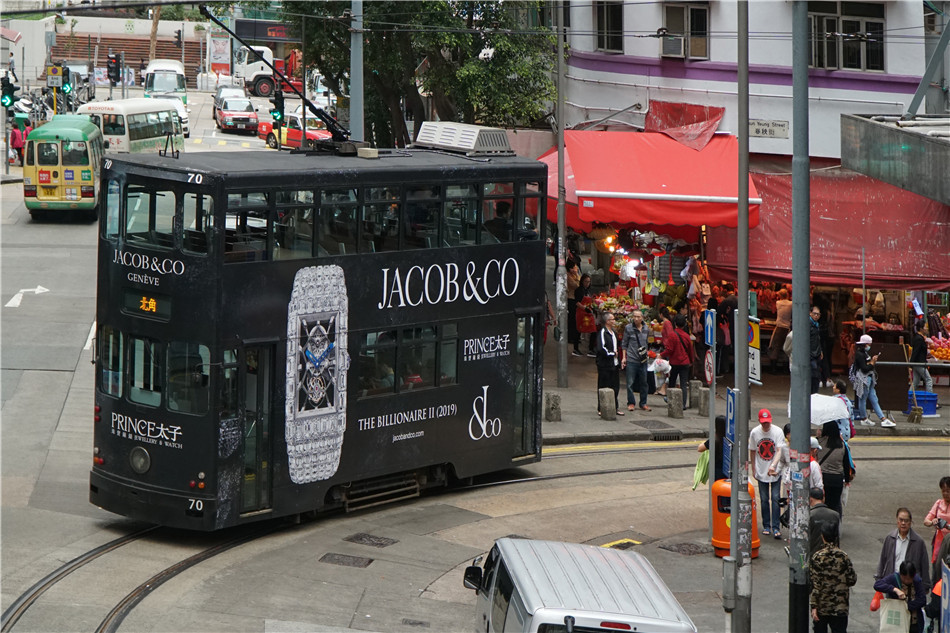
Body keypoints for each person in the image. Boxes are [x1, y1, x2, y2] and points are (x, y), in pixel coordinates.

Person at [810, 521, 856, 633]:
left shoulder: (817, 557)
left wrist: (814, 606)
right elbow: (852, 580)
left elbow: (815, 584)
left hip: (822, 606)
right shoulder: (844, 556)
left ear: (822, 536)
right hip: (840, 607)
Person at [749, 408, 785, 539]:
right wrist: (753, 467)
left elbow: (780, 450)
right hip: (761, 470)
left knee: (775, 498)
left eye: (768, 422)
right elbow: (752, 450)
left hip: (775, 472)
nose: (766, 425)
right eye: (763, 422)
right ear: (759, 421)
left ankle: (776, 527)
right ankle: (766, 525)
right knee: (764, 499)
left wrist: (773, 465)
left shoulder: (777, 431)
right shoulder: (754, 433)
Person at [876, 508, 931, 593]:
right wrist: (879, 578)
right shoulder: (890, 538)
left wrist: (925, 585)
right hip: (892, 583)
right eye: (901, 520)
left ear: (910, 522)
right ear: (897, 520)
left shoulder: (918, 541)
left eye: (906, 521)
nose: (903, 523)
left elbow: (924, 564)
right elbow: (883, 559)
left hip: (910, 585)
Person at [851, 334, 895, 427]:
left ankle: (882, 418)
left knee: (874, 399)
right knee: (863, 399)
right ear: (864, 344)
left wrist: (871, 362)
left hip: (869, 379)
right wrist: (872, 363)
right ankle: (864, 418)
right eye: (869, 345)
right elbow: (864, 368)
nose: (869, 347)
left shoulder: (864, 353)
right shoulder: (859, 354)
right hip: (863, 380)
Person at [873, 561, 927, 633]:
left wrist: (906, 606)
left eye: (909, 579)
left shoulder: (917, 581)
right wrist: (894, 589)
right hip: (897, 622)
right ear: (900, 574)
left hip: (914, 622)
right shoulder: (894, 578)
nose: (907, 581)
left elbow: (922, 600)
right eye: (904, 578)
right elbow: (877, 585)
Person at [621, 309, 651, 411]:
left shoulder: (646, 328)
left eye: (638, 317)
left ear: (642, 318)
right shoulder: (628, 328)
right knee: (630, 383)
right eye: (635, 316)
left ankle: (643, 403)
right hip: (632, 359)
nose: (636, 319)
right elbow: (624, 344)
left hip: (643, 360)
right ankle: (631, 402)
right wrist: (624, 358)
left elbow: (648, 342)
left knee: (644, 382)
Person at [662, 314, 694, 409]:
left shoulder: (672, 335)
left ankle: (670, 399)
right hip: (685, 362)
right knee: (683, 384)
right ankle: (683, 404)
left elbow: (669, 350)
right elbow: (690, 350)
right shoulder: (686, 336)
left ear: (675, 323)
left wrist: (662, 355)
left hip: (675, 362)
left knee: (672, 381)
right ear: (684, 325)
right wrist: (691, 361)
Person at [595, 312, 623, 417]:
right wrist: (612, 354)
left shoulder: (614, 333)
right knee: (603, 385)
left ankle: (615, 406)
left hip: (614, 364)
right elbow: (601, 348)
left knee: (615, 386)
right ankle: (601, 407)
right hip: (604, 364)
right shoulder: (603, 332)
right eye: (612, 319)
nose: (614, 321)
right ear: (607, 321)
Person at [923, 476, 950, 567]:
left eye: (948, 491)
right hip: (939, 541)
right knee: (937, 569)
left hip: (949, 542)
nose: (945, 493)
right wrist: (933, 522)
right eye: (943, 491)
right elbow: (926, 521)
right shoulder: (938, 503)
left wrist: (946, 526)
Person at [809, 487, 840, 556]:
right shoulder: (835, 515)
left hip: (813, 555)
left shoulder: (810, 515)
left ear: (810, 499)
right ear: (823, 498)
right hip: (832, 555)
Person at [769, 288, 792, 373]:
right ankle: (785, 368)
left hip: (779, 327)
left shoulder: (778, 303)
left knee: (776, 347)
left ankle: (773, 368)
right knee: (787, 347)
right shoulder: (791, 304)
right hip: (787, 328)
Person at [698, 415, 727, 481]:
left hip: (716, 472)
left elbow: (700, 448)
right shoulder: (730, 439)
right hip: (728, 471)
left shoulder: (714, 440)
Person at [909, 320, 934, 394]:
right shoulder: (919, 339)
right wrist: (910, 365)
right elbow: (915, 352)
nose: (926, 328)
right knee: (928, 380)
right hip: (919, 363)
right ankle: (930, 398)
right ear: (921, 329)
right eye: (925, 327)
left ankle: (909, 398)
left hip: (917, 363)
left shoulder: (919, 338)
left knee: (915, 382)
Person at [574, 273, 595, 357]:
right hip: (581, 313)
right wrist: (585, 308)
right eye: (586, 281)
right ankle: (576, 349)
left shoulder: (588, 290)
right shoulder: (579, 290)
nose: (587, 283)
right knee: (578, 330)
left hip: (588, 313)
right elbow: (577, 302)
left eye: (589, 282)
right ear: (582, 281)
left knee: (593, 330)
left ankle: (591, 349)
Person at [566, 261, 581, 355]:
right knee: (571, 318)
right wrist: (577, 276)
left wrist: (577, 275)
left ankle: (574, 337)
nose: (576, 269)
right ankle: (571, 337)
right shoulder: (568, 276)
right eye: (575, 268)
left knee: (574, 319)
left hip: (575, 298)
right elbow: (577, 286)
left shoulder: (574, 275)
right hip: (571, 298)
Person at [809, 305, 823, 394]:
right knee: (814, 375)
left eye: (818, 314)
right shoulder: (808, 324)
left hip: (816, 353)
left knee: (816, 373)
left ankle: (814, 393)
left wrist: (820, 350)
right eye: (815, 314)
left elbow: (817, 339)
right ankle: (813, 393)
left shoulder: (816, 325)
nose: (816, 316)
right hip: (810, 354)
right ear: (810, 313)